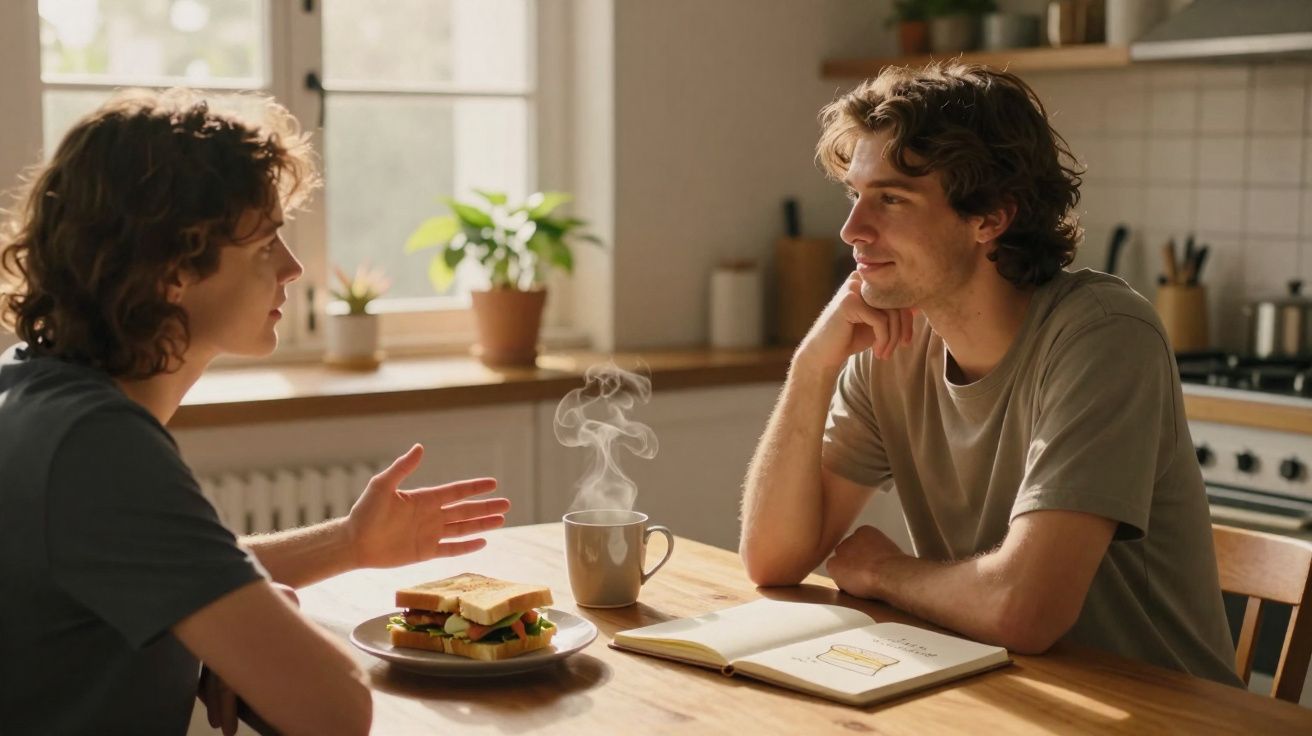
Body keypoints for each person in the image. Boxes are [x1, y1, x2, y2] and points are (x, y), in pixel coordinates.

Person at [0, 89, 512, 735]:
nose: (293, 267)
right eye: (266, 244)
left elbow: (160, 566)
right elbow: (336, 713)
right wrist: (263, 623)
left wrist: (349, 544)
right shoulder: (96, 447)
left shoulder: (33, 383)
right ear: (171, 270)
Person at [739, 62, 1241, 686]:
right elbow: (773, 560)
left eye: (891, 199)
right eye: (855, 196)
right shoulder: (891, 344)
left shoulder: (1103, 334)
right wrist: (811, 365)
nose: (852, 230)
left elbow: (1022, 610)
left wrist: (885, 572)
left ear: (990, 219)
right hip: (1000, 691)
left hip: (1162, 715)